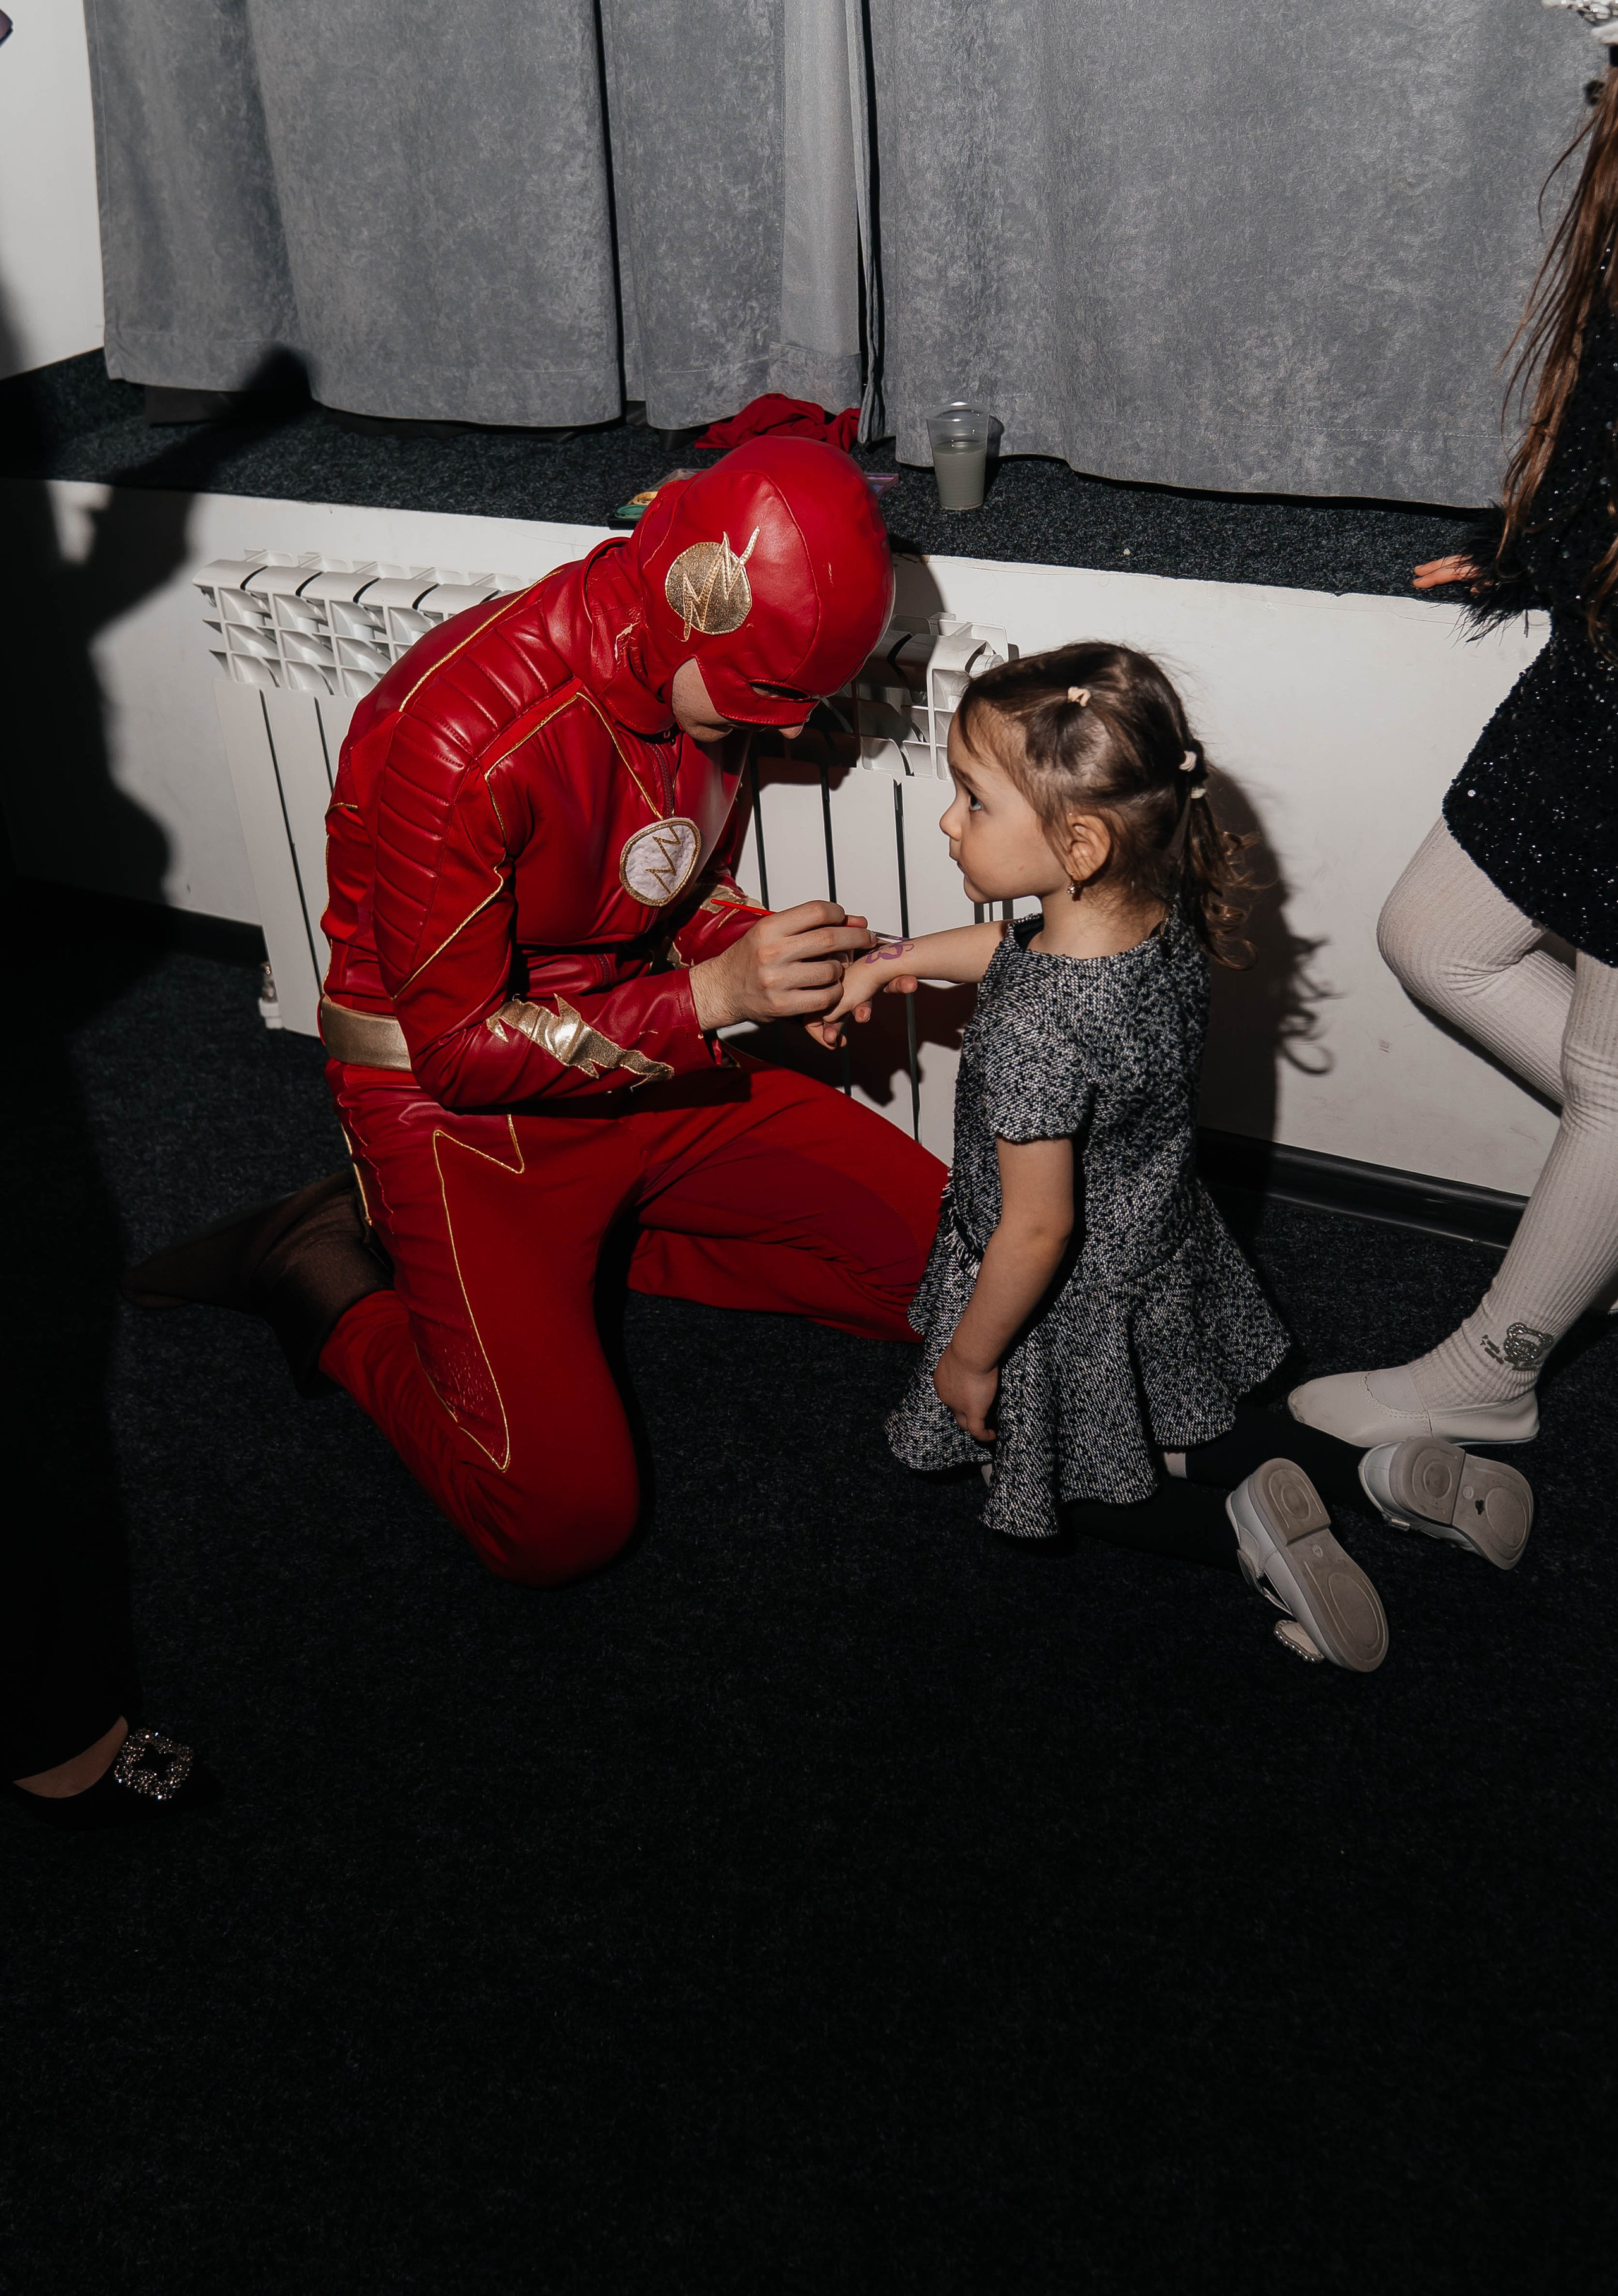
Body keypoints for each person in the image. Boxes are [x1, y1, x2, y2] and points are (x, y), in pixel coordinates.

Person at [125, 440, 947, 1584]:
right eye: (763, 700)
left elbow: (663, 880)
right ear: (687, 601)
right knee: (560, 1521)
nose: (781, 730)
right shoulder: (463, 732)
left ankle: (578, 1260)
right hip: (455, 1105)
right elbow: (456, 1048)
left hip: (642, 1053)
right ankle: (320, 1272)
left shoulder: (698, 675)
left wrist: (769, 953)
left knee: (962, 1278)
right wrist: (717, 995)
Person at [823, 644, 1535, 1672]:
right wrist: (899, 960)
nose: (948, 821)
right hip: (1157, 1242)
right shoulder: (1158, 922)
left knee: (1083, 1476)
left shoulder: (1032, 1028)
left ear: (1077, 844)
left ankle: (1242, 1538)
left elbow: (1035, 1225)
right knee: (1179, 1419)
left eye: (972, 801)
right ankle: (1383, 1474)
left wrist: (969, 1357)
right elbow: (1019, 951)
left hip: (1064, 1297)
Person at [1290, 22, 1618, 1452]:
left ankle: (1495, 1364)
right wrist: (1533, 550)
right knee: (1437, 930)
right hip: (1597, 670)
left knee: (1617, 1080)